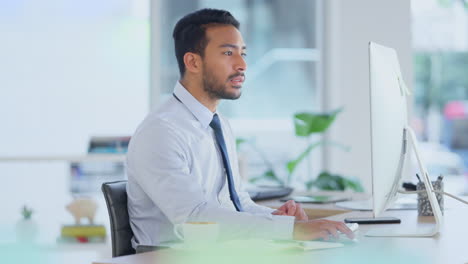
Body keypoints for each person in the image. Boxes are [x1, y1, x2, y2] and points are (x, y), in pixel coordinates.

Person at [126, 8, 353, 248]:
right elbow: (195, 218)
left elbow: (237, 202)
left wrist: (275, 219)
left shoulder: (218, 124)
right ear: (193, 61)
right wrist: (289, 230)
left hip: (220, 251)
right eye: (228, 53)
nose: (242, 64)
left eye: (243, 53)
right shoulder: (161, 132)